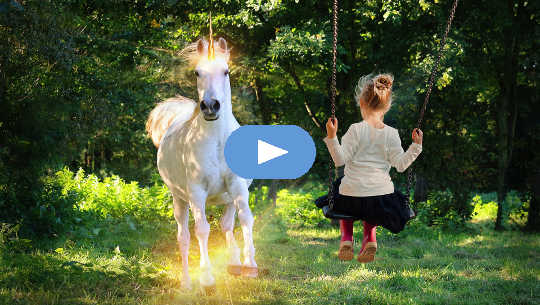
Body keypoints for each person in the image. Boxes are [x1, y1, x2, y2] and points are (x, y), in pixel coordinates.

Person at [318, 74, 423, 263]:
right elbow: (400, 166)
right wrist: (415, 146)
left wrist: (332, 136)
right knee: (373, 203)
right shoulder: (392, 134)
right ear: (387, 105)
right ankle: (370, 239)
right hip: (380, 198)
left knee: (343, 190)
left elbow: (340, 160)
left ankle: (346, 238)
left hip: (351, 196)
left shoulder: (354, 130)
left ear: (361, 103)